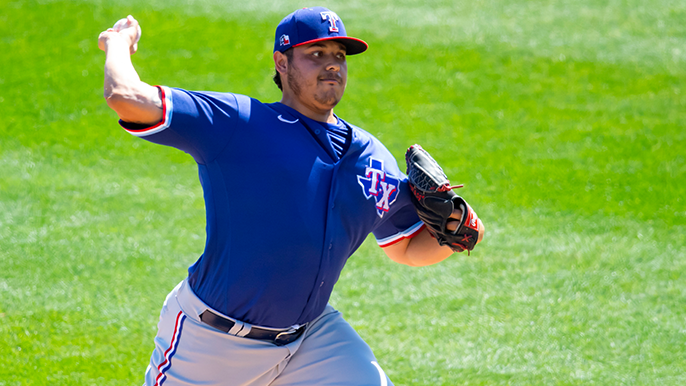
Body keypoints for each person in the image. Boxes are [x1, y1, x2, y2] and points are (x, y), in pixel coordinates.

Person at [98, 7, 484, 386]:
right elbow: (124, 95)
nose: (332, 64)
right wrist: (117, 44)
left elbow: (406, 247)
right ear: (281, 62)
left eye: (339, 56)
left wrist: (458, 231)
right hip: (211, 345)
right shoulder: (239, 124)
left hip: (310, 339)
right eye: (316, 54)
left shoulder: (371, 158)